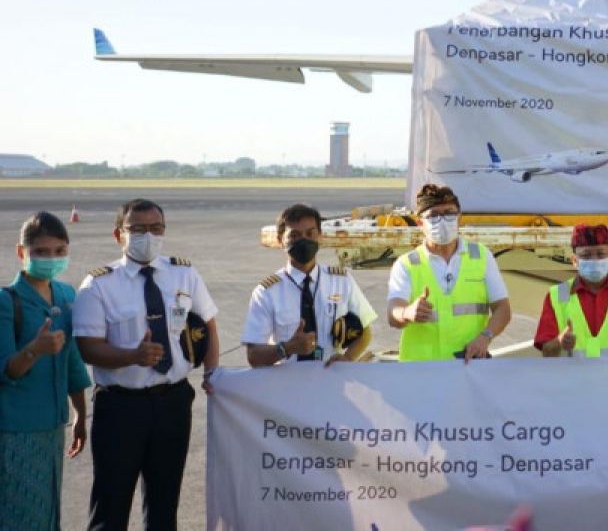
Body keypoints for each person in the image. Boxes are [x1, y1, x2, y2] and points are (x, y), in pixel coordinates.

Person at [74, 198, 220, 531]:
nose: (148, 236)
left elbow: (208, 324)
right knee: (110, 507)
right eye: (137, 229)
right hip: (120, 407)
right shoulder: (98, 285)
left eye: (156, 229)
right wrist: (131, 356)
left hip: (173, 402)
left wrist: (213, 372)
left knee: (164, 506)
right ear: (118, 235)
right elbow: (87, 348)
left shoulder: (184, 274)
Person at [0, 212, 90, 531]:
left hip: (53, 425)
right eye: (40, 252)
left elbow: (73, 361)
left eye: (59, 251)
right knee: (17, 513)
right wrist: (35, 349)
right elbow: (6, 369)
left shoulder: (66, 296)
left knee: (48, 509)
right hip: (16, 430)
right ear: (21, 253)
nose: (50, 258)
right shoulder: (6, 301)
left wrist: (80, 412)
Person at [387, 184, 511, 361]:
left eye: (449, 213)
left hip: (467, 365)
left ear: (459, 217)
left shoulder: (481, 256)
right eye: (434, 215)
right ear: (420, 223)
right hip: (421, 371)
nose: (443, 220)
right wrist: (407, 312)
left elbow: (503, 309)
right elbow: (393, 313)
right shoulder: (407, 264)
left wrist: (485, 337)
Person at [243, 204, 376, 367]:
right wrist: (287, 348)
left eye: (310, 233)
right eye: (295, 235)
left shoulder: (341, 280)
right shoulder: (267, 292)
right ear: (280, 241)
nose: (303, 240)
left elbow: (365, 333)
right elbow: (253, 355)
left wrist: (347, 358)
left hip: (330, 380)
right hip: (288, 384)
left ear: (319, 236)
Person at [535, 224, 608, 357]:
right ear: (574, 260)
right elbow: (546, 352)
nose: (594, 260)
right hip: (574, 378)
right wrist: (559, 342)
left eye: (600, 254)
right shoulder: (556, 296)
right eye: (586, 255)